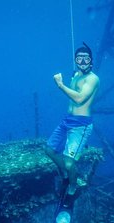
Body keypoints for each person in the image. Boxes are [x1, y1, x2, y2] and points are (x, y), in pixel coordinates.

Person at [45, 43, 100, 206]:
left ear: (91, 61)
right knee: (49, 150)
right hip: (67, 120)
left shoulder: (93, 79)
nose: (82, 62)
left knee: (69, 163)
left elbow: (79, 99)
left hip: (81, 125)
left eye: (86, 59)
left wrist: (61, 85)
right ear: (75, 61)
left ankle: (74, 186)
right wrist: (71, 80)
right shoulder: (76, 74)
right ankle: (67, 175)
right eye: (79, 59)